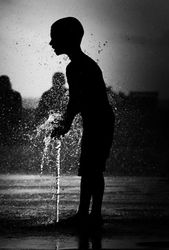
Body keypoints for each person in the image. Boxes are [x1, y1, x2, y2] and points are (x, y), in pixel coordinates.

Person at [49, 17, 115, 227]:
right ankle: (86, 213)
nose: (51, 43)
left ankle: (93, 214)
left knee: (93, 169)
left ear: (66, 39)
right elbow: (76, 101)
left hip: (100, 122)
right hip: (97, 121)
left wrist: (66, 125)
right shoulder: (79, 65)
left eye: (54, 38)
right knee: (89, 169)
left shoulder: (78, 66)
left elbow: (76, 101)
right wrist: (66, 123)